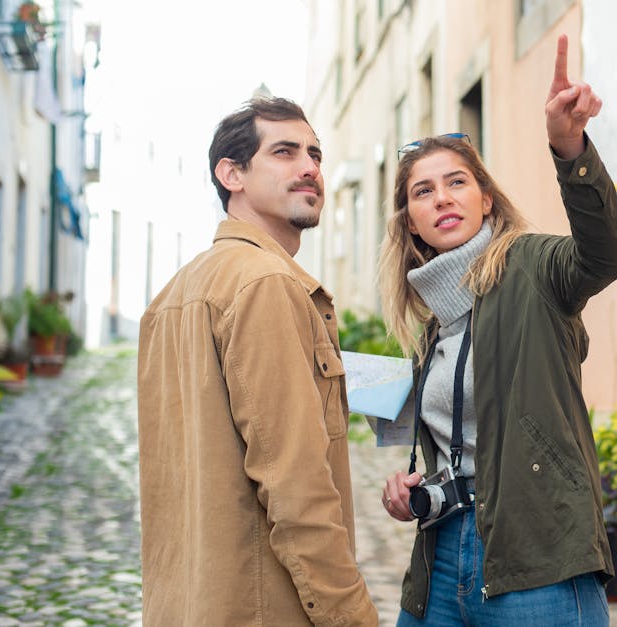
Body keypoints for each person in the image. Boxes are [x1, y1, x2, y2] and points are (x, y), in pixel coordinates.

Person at [377, 34, 617, 625]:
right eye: (423, 190)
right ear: (411, 222)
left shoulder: (533, 268)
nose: (442, 197)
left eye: (457, 181)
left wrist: (569, 148)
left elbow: (607, 254)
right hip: (441, 558)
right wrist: (408, 487)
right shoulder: (430, 328)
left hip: (537, 556)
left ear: (487, 200)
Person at [137, 97, 378, 626]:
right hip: (262, 607)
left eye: (315, 153)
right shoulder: (266, 284)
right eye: (285, 152)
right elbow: (295, 484)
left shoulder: (172, 294)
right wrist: (351, 615)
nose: (310, 167)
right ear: (232, 174)